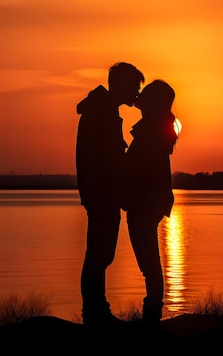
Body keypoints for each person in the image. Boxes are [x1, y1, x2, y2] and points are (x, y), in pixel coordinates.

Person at [75, 61, 145, 326]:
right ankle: (94, 313)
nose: (136, 93)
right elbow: (104, 158)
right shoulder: (101, 111)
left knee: (101, 254)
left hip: (103, 193)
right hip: (101, 193)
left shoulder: (105, 109)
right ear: (123, 85)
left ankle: (96, 309)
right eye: (134, 88)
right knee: (98, 254)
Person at [122, 79, 178, 325]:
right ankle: (152, 315)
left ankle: (151, 318)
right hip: (149, 203)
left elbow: (137, 168)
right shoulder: (155, 128)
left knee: (149, 265)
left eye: (145, 93)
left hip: (145, 204)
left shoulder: (152, 131)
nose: (140, 95)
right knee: (150, 264)